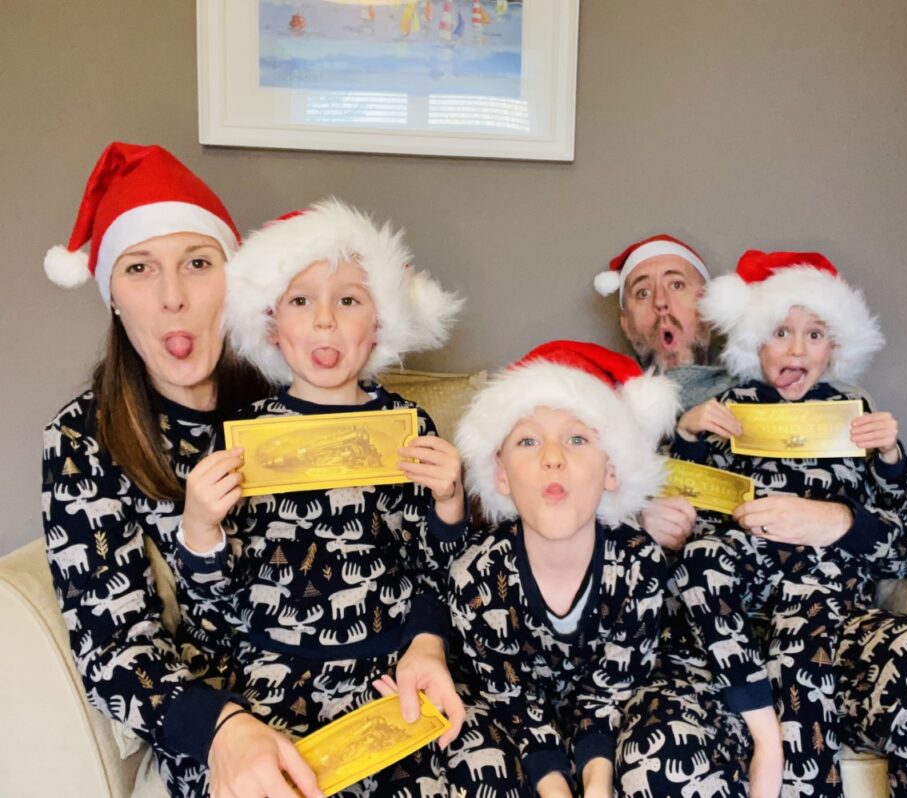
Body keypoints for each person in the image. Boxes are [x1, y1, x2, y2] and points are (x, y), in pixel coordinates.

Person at [618, 250, 907, 797]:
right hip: (723, 643)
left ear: (836, 347)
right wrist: (684, 440)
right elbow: (660, 516)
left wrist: (842, 516)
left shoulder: (857, 419)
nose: (797, 348)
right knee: (664, 752)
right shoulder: (719, 415)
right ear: (754, 343)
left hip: (834, 626)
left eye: (815, 334)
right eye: (780, 331)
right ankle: (761, 735)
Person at [176, 198, 467, 797]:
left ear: (379, 324)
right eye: (301, 300)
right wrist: (200, 526)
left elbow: (438, 573)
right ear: (272, 326)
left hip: (386, 670)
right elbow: (211, 601)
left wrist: (450, 505)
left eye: (349, 300)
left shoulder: (408, 426)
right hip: (271, 670)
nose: (326, 321)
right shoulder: (242, 436)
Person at [41, 142, 273, 798]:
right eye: (140, 268)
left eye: (198, 264)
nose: (173, 298)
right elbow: (113, 646)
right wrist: (223, 728)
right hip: (212, 724)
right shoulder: (83, 440)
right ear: (111, 292)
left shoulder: (294, 398)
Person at [442, 341, 676, 798]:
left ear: (612, 470)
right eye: (528, 441)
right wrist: (554, 787)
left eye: (577, 438)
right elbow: (516, 704)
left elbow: (608, 694)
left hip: (613, 707)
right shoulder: (475, 577)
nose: (552, 457)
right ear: (501, 476)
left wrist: (596, 783)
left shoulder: (639, 563)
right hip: (514, 711)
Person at [595, 233, 731, 554]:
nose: (660, 301)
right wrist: (635, 519)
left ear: (709, 308)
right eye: (642, 291)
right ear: (626, 324)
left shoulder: (765, 395)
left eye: (677, 285)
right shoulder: (599, 409)